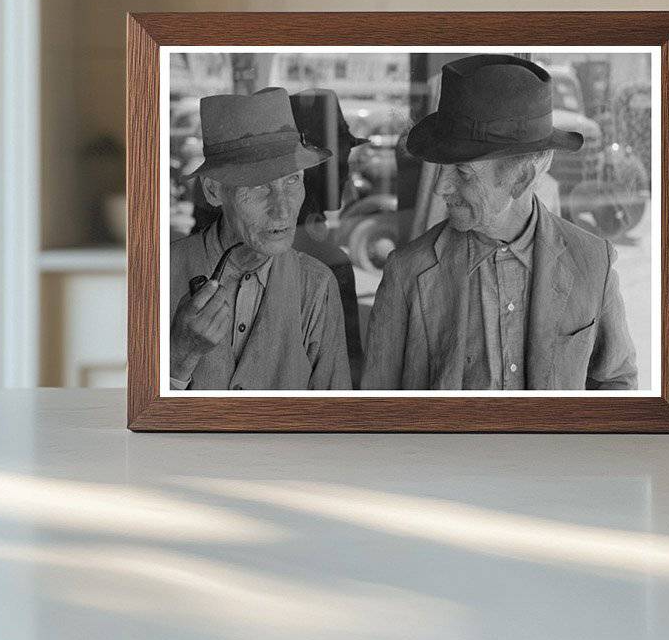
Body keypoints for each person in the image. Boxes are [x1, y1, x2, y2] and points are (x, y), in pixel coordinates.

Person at [361, 54, 638, 391]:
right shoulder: (407, 273)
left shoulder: (593, 262)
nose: (440, 187)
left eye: (462, 172)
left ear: (520, 179)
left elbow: (616, 384)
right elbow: (379, 409)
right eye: (441, 168)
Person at [169, 88, 350, 391]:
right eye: (258, 186)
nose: (282, 208)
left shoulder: (317, 285)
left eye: (292, 180)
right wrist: (179, 356)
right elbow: (130, 409)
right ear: (214, 190)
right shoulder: (160, 272)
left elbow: (335, 418)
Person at [289, 88, 368, 388]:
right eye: (339, 159)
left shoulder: (320, 251)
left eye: (345, 158)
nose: (346, 172)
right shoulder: (325, 263)